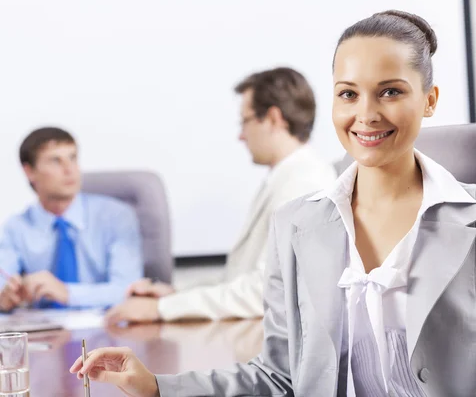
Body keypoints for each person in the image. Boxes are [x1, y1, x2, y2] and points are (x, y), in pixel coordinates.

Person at [70, 10, 476, 396]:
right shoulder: (296, 225)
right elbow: (280, 376)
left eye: (390, 91)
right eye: (349, 93)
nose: (365, 114)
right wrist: (157, 385)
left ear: (429, 99)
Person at [104, 67, 337, 324]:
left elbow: (267, 290)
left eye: (244, 121)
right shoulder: (286, 178)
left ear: (272, 118)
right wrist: (176, 294)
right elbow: (241, 279)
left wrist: (163, 309)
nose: (241, 135)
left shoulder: (304, 183)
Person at [0, 127, 143, 310]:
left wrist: (67, 293)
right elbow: (3, 285)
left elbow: (129, 290)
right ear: (29, 172)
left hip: (108, 329)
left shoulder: (116, 216)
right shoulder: (16, 227)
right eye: (55, 161)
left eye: (73, 158)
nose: (70, 169)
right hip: (46, 331)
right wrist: (5, 298)